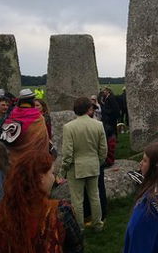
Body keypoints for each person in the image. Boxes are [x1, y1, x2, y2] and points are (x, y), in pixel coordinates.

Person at [0, 151, 84, 252]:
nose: (54, 178)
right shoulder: (60, 212)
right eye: (52, 173)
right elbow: (77, 248)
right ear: (41, 178)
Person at [59, 97, 108, 230]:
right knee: (94, 196)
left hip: (75, 168)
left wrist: (62, 171)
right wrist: (99, 161)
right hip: (93, 164)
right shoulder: (98, 125)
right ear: (89, 109)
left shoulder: (69, 127)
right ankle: (98, 224)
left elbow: (67, 153)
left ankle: (80, 227)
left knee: (77, 199)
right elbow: (103, 149)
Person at [0, 89, 50, 164]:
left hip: (15, 161)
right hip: (33, 160)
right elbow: (43, 139)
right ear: (32, 101)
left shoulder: (12, 115)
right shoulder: (38, 117)